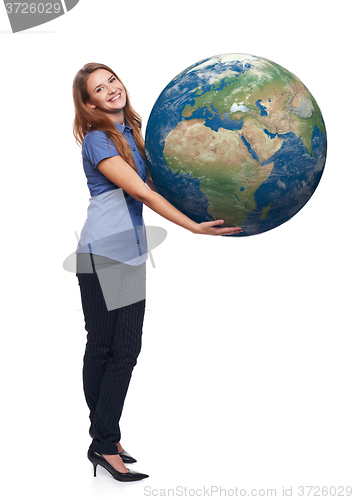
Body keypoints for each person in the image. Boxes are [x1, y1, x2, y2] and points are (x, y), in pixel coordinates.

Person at [72, 62, 242, 483]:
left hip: (124, 253)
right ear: (89, 102)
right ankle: (105, 442)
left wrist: (210, 198)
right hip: (103, 255)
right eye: (100, 88)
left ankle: (103, 439)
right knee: (113, 348)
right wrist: (193, 228)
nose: (111, 89)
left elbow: (161, 183)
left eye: (112, 79)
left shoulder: (131, 133)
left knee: (115, 348)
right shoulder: (98, 140)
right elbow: (142, 191)